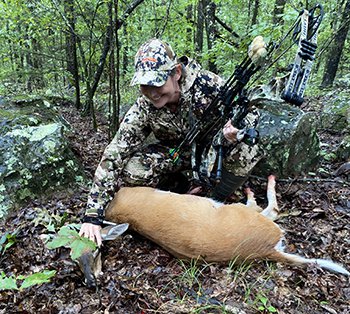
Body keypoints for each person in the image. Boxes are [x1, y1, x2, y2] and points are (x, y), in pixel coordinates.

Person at [79, 38, 262, 245]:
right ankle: (174, 194)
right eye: (144, 85)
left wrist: (236, 128)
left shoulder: (207, 85)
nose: (152, 93)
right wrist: (93, 215)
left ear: (175, 73)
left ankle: (214, 198)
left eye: (157, 83)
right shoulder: (144, 107)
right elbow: (115, 152)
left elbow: (250, 110)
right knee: (134, 169)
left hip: (214, 152)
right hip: (177, 154)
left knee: (249, 149)